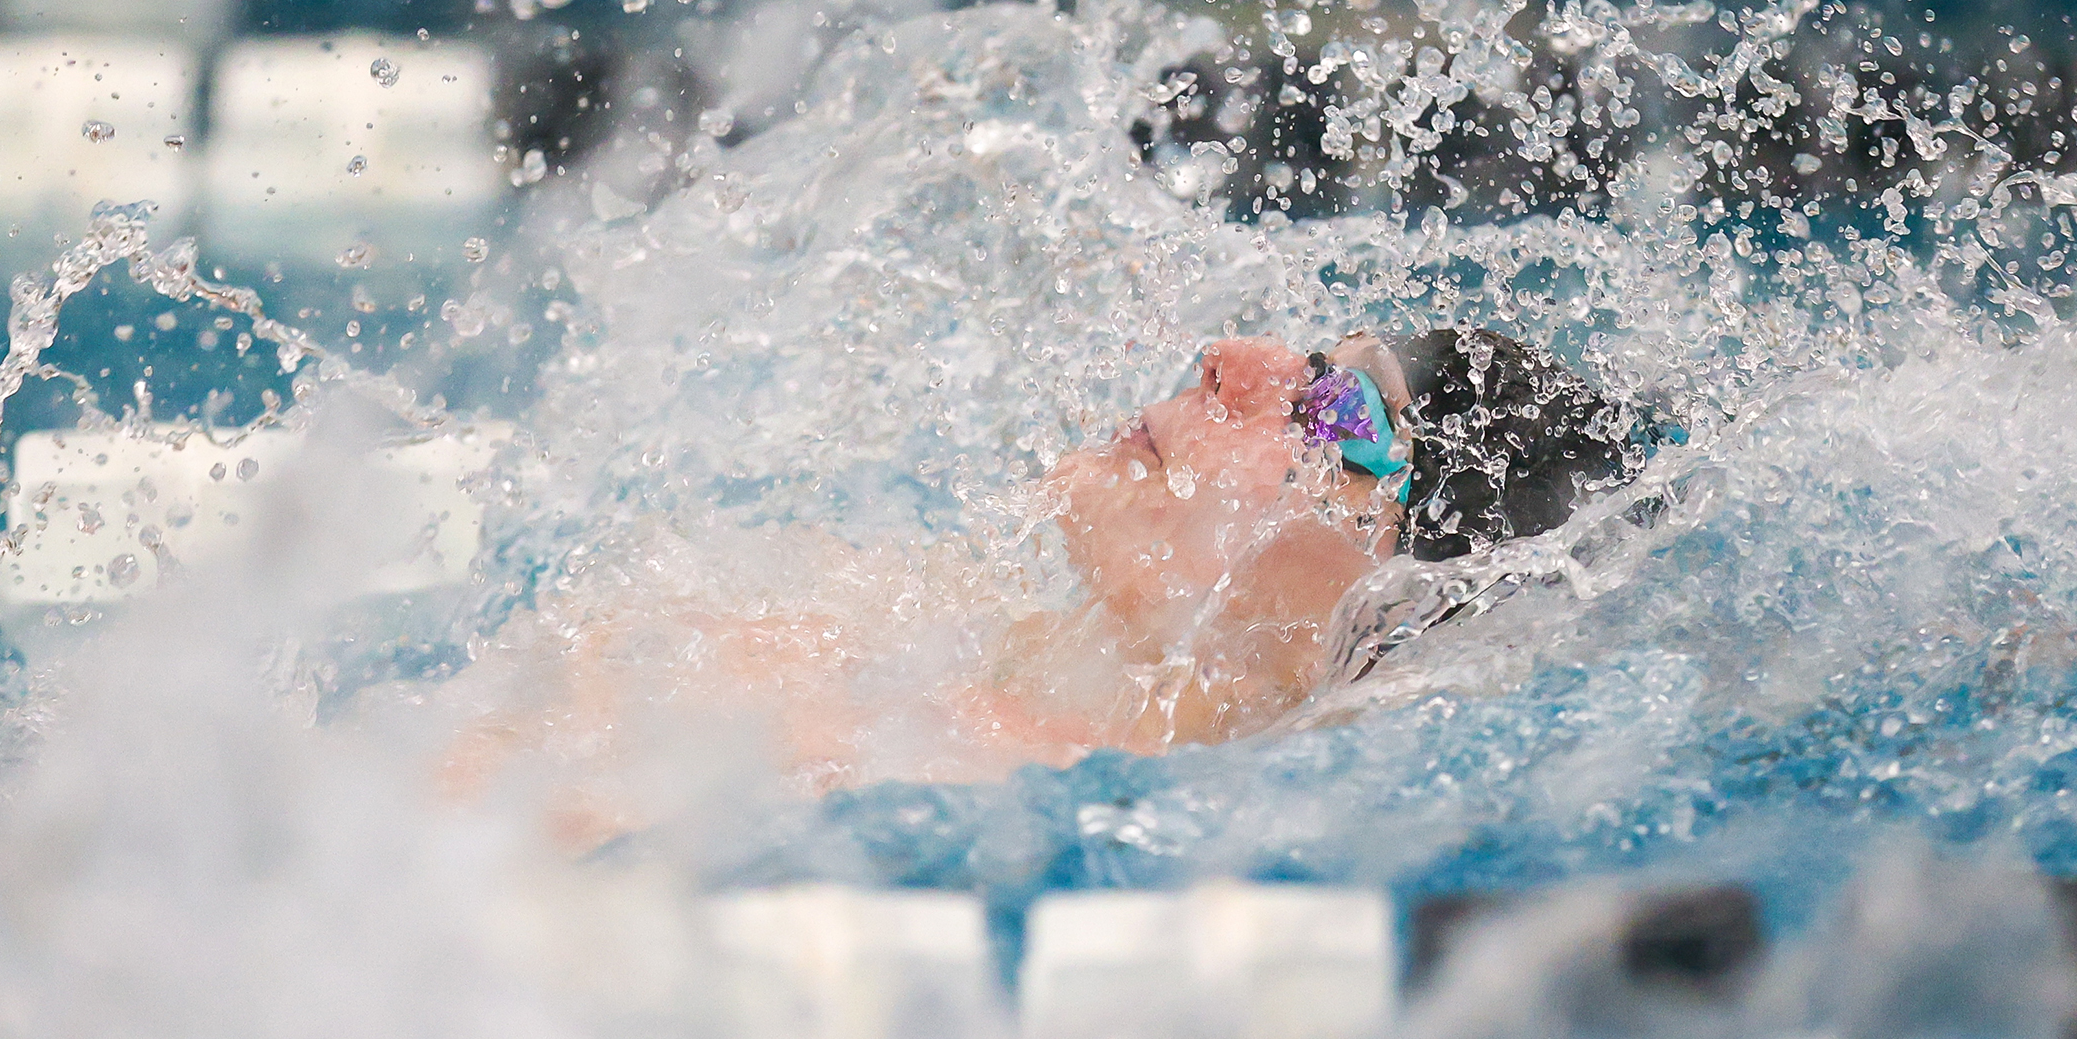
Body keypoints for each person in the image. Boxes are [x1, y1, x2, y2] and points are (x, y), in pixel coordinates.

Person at [443, 328, 1652, 819]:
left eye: (1337, 407)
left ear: (1377, 613)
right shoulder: (926, 622)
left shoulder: (951, 764)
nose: (1234, 356)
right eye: (1306, 349)